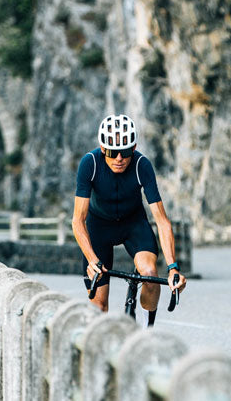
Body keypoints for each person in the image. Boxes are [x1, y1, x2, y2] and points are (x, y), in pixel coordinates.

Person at [72, 114, 186, 326]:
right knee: (99, 307)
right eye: (112, 152)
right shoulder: (90, 163)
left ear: (133, 148)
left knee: (150, 274)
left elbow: (162, 220)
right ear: (102, 148)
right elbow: (78, 220)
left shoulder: (142, 165)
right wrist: (90, 258)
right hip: (100, 228)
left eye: (125, 152)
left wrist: (173, 268)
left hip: (133, 224)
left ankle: (145, 333)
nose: (119, 158)